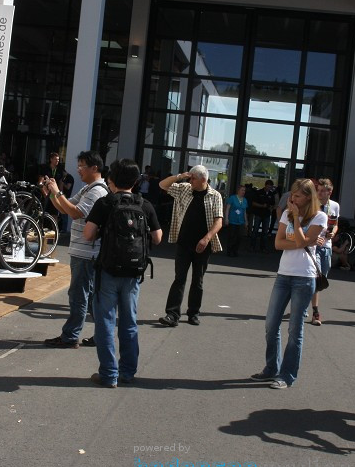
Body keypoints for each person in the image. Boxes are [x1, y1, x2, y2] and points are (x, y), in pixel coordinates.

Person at [84, 159, 163, 387]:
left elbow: (88, 234)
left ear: (111, 180)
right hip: (132, 273)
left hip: (107, 270)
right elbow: (157, 238)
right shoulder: (144, 205)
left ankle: (109, 375)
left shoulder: (105, 203)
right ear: (137, 181)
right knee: (129, 323)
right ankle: (127, 372)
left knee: (106, 322)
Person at [250, 178, 327, 389]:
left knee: (295, 329)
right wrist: (302, 237)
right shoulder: (286, 212)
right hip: (284, 274)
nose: (293, 199)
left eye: (298, 195)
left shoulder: (319, 217)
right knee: (271, 324)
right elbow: (278, 243)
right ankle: (271, 369)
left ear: (309, 197)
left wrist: (296, 222)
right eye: (292, 195)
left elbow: (300, 242)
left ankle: (287, 375)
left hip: (305, 277)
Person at [42, 151, 108, 348]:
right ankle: (101, 334)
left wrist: (57, 191)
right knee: (89, 296)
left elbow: (75, 212)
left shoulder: (97, 191)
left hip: (87, 251)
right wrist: (53, 193)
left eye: (82, 166)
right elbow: (65, 207)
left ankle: (70, 336)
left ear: (94, 168)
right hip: (84, 250)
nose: (78, 170)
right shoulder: (90, 188)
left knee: (79, 295)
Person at [157, 165, 223, 327]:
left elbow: (218, 221)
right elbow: (162, 185)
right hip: (184, 242)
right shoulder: (184, 189)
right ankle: (172, 314)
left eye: (193, 178)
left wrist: (206, 238)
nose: (190, 180)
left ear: (203, 179)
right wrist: (180, 176)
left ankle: (193, 313)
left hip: (203, 244)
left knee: (197, 280)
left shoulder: (215, 196)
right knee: (179, 278)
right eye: (190, 177)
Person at [310, 178, 339, 326]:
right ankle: (315, 312)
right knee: (316, 277)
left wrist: (333, 232)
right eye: (318, 190)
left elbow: (335, 225)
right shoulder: (312, 205)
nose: (319, 193)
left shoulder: (334, 206)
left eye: (322, 191)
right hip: (313, 246)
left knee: (322, 280)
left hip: (327, 246)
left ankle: (303, 300)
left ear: (330, 192)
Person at [223, 184, 249, 257]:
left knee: (239, 237)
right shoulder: (232, 198)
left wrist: (246, 221)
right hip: (232, 220)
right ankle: (229, 251)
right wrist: (226, 218)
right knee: (232, 236)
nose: (243, 192)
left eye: (244, 190)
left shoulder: (245, 200)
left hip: (240, 221)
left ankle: (235, 251)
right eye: (242, 190)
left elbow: (244, 211)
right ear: (238, 191)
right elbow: (228, 208)